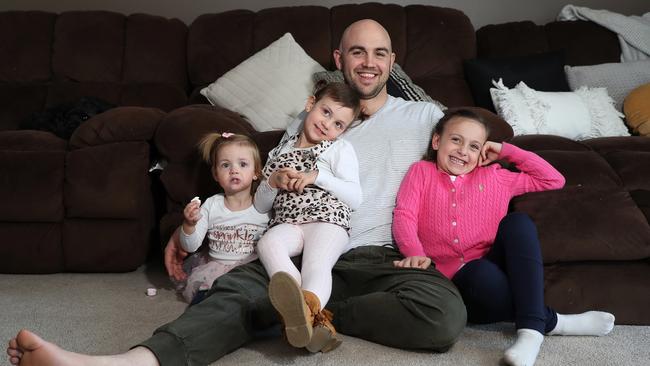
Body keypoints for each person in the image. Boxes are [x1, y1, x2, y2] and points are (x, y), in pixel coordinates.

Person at [6, 19, 466, 366]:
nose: (369, 62)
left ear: (392, 62)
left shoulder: (424, 117)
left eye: (380, 53)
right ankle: (120, 364)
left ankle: (306, 311)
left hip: (379, 256)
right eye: (358, 52)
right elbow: (262, 202)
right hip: (293, 249)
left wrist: (494, 151)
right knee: (232, 293)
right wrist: (266, 185)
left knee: (443, 315)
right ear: (338, 59)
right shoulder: (299, 128)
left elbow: (475, 141)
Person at [392, 108, 615, 366]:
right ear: (436, 141)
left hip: (492, 267)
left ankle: (530, 333)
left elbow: (553, 180)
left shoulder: (496, 176)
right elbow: (404, 216)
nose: (463, 151)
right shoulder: (421, 172)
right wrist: (415, 253)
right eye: (456, 140)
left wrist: (508, 151)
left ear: (483, 153)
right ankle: (554, 321)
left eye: (474, 146)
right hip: (461, 286)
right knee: (478, 274)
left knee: (517, 223)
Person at [255, 81, 362, 352]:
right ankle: (309, 320)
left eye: (338, 124)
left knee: (316, 264)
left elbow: (355, 197)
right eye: (326, 112)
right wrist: (273, 182)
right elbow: (259, 206)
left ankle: (304, 311)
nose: (328, 125)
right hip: (289, 222)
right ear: (310, 104)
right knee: (268, 243)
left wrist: (319, 176)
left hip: (328, 220)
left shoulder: (338, 150)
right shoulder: (279, 152)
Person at [174, 132, 270, 303]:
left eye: (242, 164)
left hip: (249, 271)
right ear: (216, 174)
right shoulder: (212, 205)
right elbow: (190, 246)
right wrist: (189, 224)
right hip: (214, 271)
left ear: (256, 172)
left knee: (256, 299)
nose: (234, 170)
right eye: (225, 165)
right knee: (206, 301)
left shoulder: (263, 207)